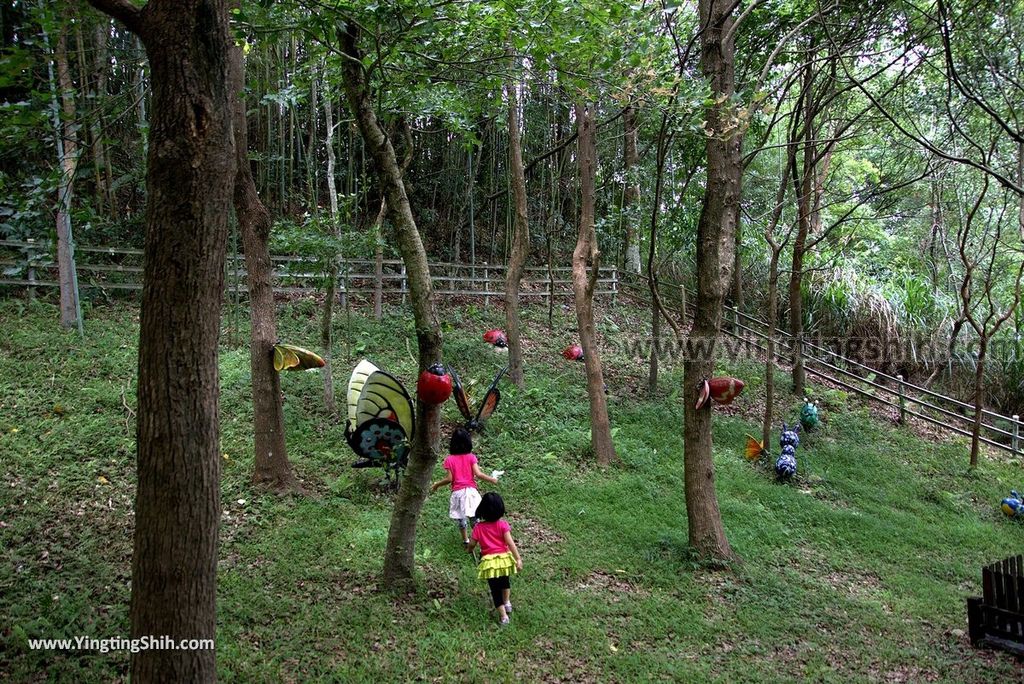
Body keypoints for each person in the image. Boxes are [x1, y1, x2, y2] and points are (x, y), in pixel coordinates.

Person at [430, 428, 499, 545]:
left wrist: (436, 484)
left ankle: (466, 540)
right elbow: (478, 474)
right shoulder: (471, 457)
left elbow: (449, 479)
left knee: (461, 518)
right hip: (471, 492)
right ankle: (482, 540)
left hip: (458, 493)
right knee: (474, 518)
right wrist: (491, 479)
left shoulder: (449, 460)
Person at [466, 492, 522, 625]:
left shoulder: (478, 528)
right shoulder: (503, 525)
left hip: (490, 563)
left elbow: (472, 544)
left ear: (482, 510)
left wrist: (469, 549)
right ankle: (507, 602)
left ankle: (503, 616)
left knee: (495, 589)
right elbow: (510, 543)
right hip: (503, 560)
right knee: (505, 582)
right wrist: (518, 559)